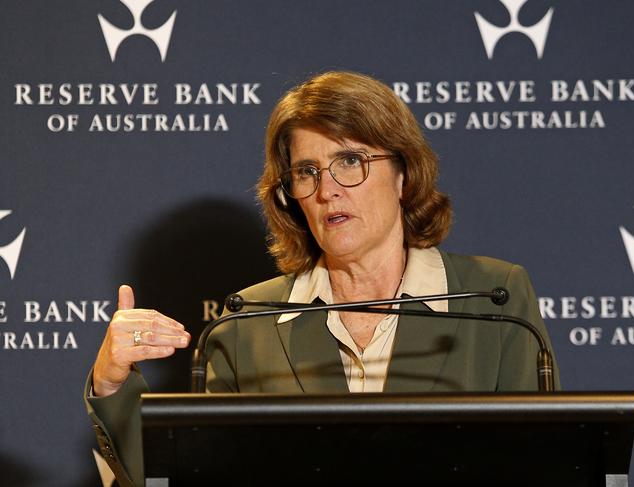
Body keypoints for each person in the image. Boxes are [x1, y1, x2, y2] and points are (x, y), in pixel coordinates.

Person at [85, 71, 559, 486]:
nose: (327, 188)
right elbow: (186, 478)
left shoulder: (496, 297)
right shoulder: (246, 322)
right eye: (306, 171)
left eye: (350, 160)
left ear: (404, 175)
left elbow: (543, 464)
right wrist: (113, 386)